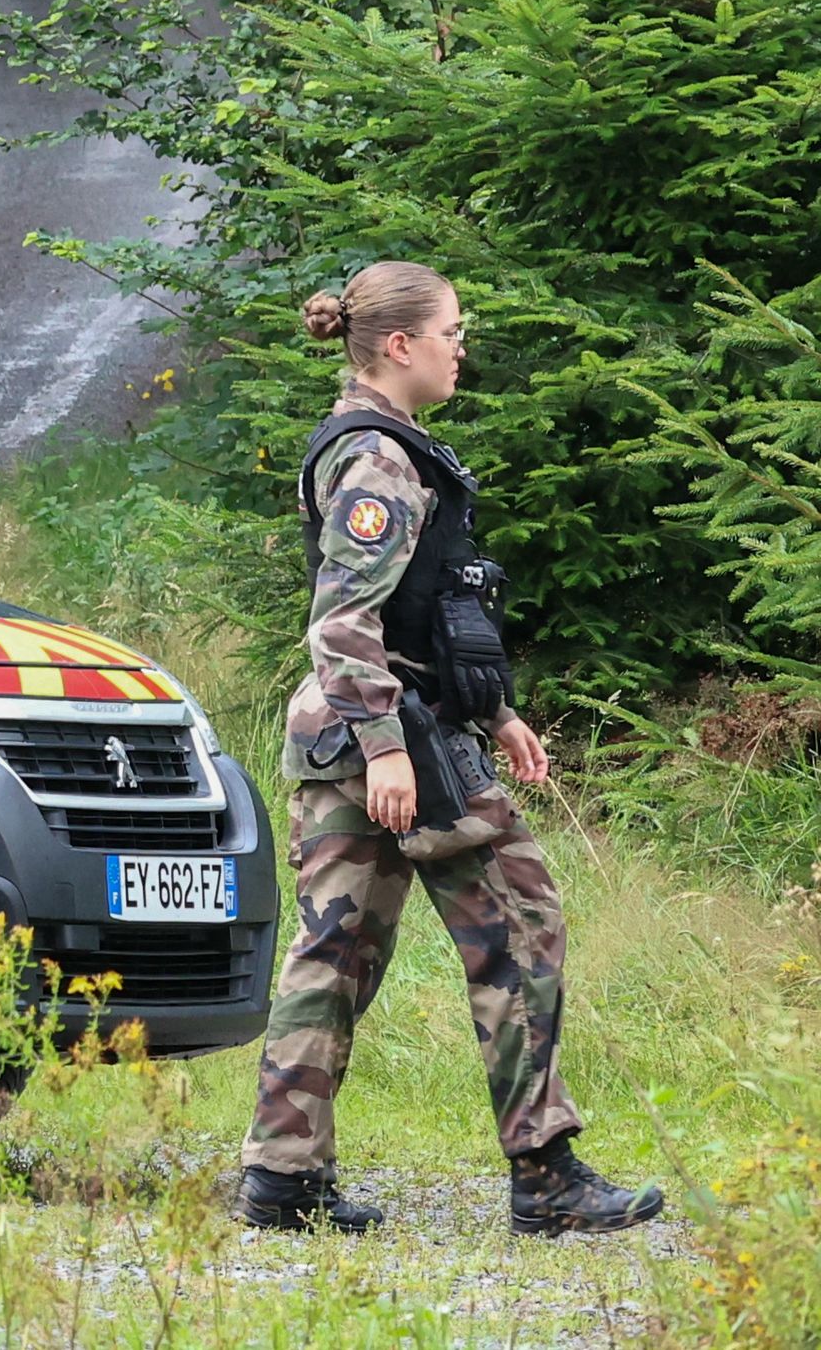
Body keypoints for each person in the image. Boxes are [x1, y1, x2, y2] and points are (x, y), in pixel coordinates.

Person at [237, 262, 660, 1238]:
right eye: (450, 330)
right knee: (519, 918)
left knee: (335, 949)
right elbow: (341, 618)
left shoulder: (401, 449)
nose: (459, 345)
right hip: (389, 738)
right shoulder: (378, 461)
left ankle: (282, 1175)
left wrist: (497, 711)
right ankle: (545, 1175)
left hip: (367, 728)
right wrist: (388, 748)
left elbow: (434, 605)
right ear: (399, 343)